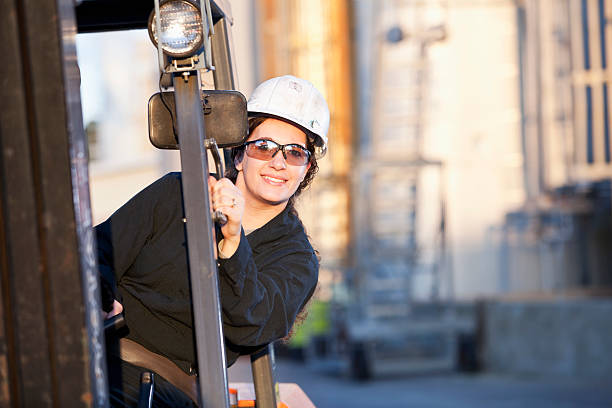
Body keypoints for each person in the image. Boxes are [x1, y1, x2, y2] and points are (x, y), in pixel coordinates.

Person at [96, 75, 330, 406]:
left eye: (294, 153)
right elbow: (98, 250)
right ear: (239, 155)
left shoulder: (296, 260)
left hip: (163, 385)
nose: (278, 162)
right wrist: (103, 293)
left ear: (306, 169)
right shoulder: (178, 194)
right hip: (94, 349)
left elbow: (252, 326)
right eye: (263, 147)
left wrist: (233, 242)